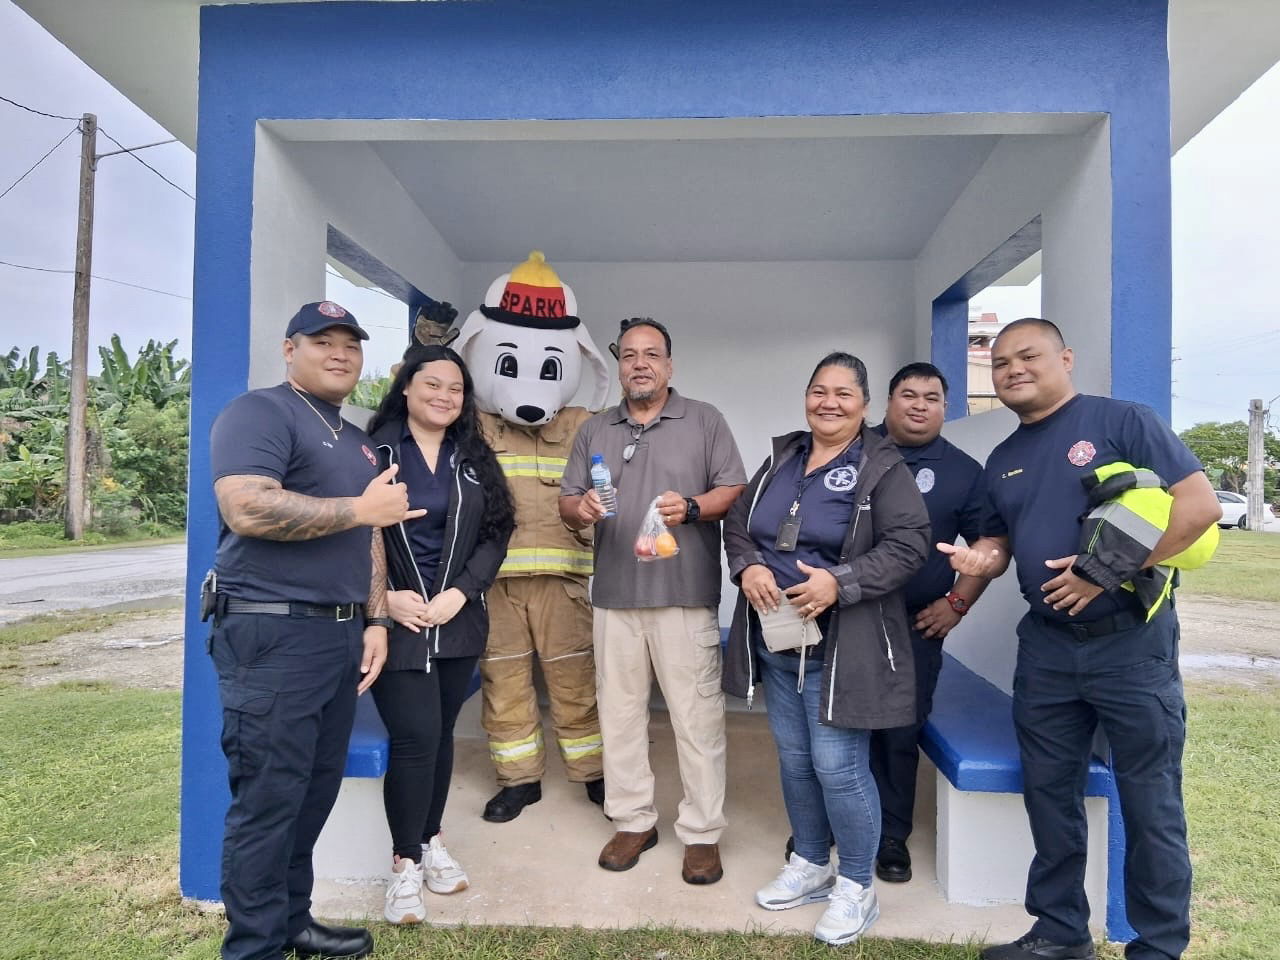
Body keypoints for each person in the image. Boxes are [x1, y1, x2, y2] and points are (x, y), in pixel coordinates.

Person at [941, 318, 1221, 960]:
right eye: (1001, 361)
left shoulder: (1122, 420)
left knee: (1151, 803)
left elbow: (1199, 507)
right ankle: (1059, 934)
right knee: (1049, 794)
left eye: (1029, 356)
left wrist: (1106, 570)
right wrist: (983, 562)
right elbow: (998, 540)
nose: (1013, 369)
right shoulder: (1004, 459)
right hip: (1045, 648)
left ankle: (1158, 946)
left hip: (1131, 646)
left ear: (1065, 357)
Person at [208, 300, 420, 960]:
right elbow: (245, 506)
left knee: (310, 795)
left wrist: (375, 617)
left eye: (350, 344)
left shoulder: (352, 437)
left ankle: (294, 923)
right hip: (272, 635)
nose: (339, 353)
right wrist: (361, 506)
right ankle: (254, 947)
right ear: (289, 348)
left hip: (336, 636)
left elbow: (372, 535)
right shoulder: (261, 413)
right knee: (268, 802)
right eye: (321, 341)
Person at [721, 351, 930, 946]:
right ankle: (812, 864)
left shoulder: (881, 466)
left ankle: (856, 887)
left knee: (839, 768)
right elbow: (738, 523)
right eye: (818, 391)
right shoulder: (782, 457)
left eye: (843, 393)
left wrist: (841, 581)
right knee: (794, 760)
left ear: (864, 406)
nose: (828, 402)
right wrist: (748, 566)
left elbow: (910, 545)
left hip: (845, 647)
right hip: (780, 641)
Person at [559, 317, 746, 885]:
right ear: (619, 365)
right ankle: (634, 820)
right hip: (614, 598)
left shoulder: (704, 420)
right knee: (618, 718)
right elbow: (567, 502)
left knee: (697, 720)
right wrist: (582, 509)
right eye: (630, 355)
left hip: (684, 599)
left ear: (669, 364)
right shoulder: (595, 429)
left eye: (652, 354)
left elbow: (732, 491)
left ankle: (703, 832)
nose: (640, 363)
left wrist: (691, 507)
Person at [452, 251, 611, 822]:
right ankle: (519, 780)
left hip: (564, 584)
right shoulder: (473, 424)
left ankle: (593, 774)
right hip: (494, 586)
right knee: (505, 685)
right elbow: (422, 395)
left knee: (576, 683)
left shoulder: (584, 424)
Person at [365, 344, 516, 925]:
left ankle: (429, 842)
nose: (445, 396)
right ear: (405, 386)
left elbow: (498, 531)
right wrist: (380, 598)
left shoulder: (472, 457)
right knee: (415, 737)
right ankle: (404, 865)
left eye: (455, 388)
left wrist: (463, 591)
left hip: (456, 620)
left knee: (443, 732)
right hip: (395, 622)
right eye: (432, 384)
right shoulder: (372, 451)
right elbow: (349, 529)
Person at [867, 362, 990, 884]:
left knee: (899, 729)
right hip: (841, 615)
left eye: (932, 397)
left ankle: (892, 834)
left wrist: (957, 604)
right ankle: (828, 822)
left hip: (914, 624)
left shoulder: (964, 471)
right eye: (908, 394)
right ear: (887, 401)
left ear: (945, 406)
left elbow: (990, 546)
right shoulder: (851, 447)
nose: (919, 405)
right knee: (833, 728)